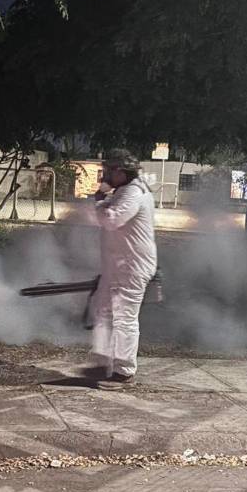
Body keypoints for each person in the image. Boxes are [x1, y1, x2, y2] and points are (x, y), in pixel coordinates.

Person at [90, 149, 157, 386]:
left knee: (124, 318)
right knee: (103, 311)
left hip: (131, 266)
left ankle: (124, 370)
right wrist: (104, 199)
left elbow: (111, 219)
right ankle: (103, 362)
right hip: (120, 264)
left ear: (120, 171)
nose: (105, 175)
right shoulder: (125, 190)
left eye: (108, 170)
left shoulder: (133, 193)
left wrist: (100, 200)